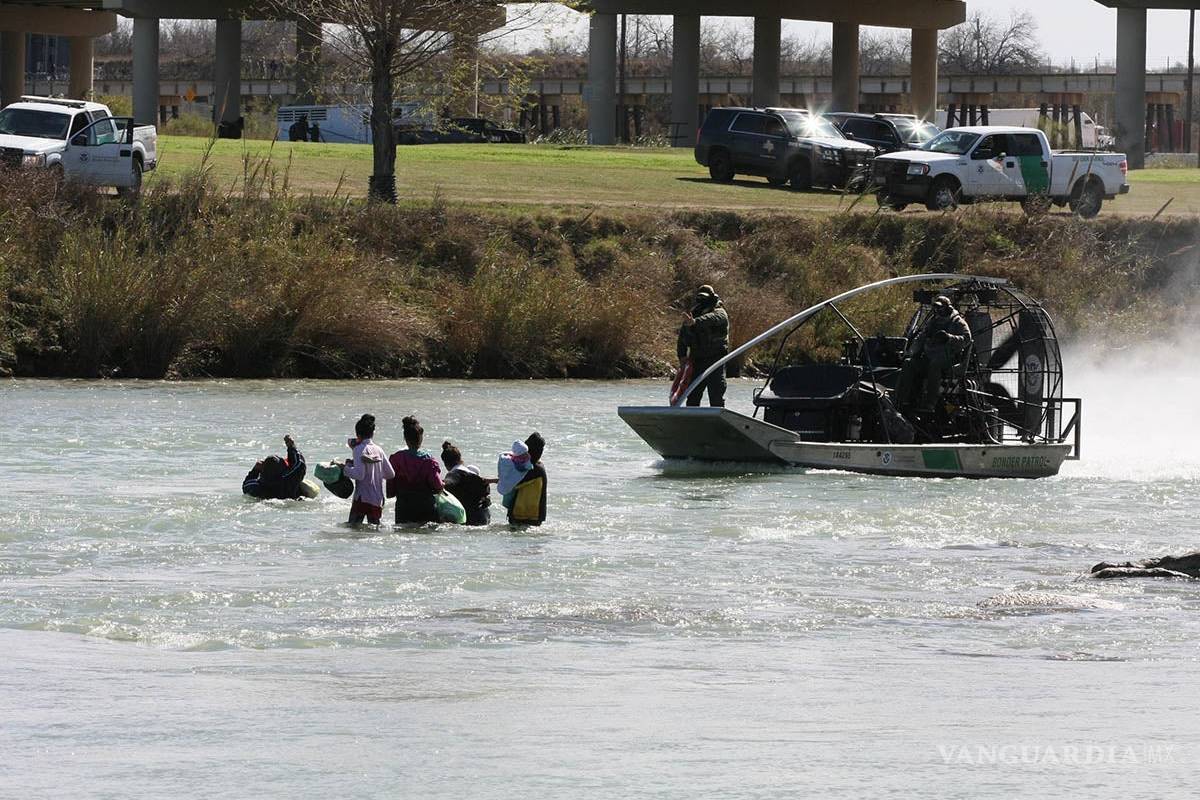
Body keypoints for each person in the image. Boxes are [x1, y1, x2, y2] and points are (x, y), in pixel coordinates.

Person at [895, 295, 973, 414]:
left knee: (935, 364)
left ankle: (930, 403)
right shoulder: (933, 321)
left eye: (940, 308)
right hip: (930, 355)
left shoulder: (957, 322)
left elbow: (967, 339)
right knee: (908, 363)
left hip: (948, 358)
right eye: (936, 309)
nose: (937, 311)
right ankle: (902, 400)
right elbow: (921, 338)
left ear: (948, 308)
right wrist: (910, 353)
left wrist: (949, 338)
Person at [676, 284, 730, 407]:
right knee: (693, 395)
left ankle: (717, 421)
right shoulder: (694, 313)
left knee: (716, 393)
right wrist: (682, 356)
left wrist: (695, 322)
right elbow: (682, 336)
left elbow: (711, 318)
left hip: (715, 360)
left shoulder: (720, 313)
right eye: (700, 298)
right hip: (697, 360)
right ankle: (691, 420)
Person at [386, 416, 444, 524]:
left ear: (405, 439)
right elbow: (438, 486)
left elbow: (390, 491)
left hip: (403, 508)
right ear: (421, 438)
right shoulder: (429, 461)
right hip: (426, 509)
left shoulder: (396, 459)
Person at [343, 413, 395, 525]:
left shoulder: (358, 449)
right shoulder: (379, 450)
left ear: (357, 434)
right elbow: (391, 474)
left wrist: (345, 468)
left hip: (362, 498)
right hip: (377, 499)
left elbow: (359, 475)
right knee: (374, 530)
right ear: (372, 434)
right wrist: (376, 470)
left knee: (353, 528)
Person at [441, 441, 495, 526]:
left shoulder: (452, 476)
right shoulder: (474, 476)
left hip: (469, 520)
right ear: (460, 459)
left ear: (445, 464)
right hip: (484, 518)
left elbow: (446, 485)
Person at [242, 434, 307, 499]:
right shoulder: (289, 480)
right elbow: (299, 464)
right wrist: (291, 446)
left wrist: (255, 470)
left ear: (263, 471)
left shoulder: (256, 486)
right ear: (283, 469)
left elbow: (245, 486)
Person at [507, 432, 547, 526]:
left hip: (527, 515)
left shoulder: (534, 469)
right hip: (529, 516)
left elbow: (513, 484)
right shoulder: (536, 466)